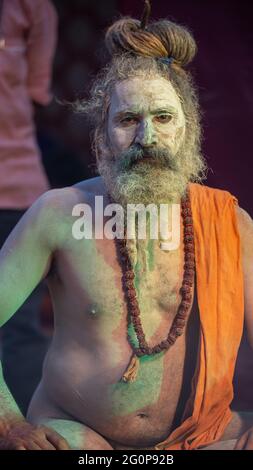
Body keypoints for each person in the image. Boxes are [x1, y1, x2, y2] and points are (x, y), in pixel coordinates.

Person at [0, 2, 253, 451]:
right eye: (128, 120)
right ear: (102, 135)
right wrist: (8, 424)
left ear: (189, 130)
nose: (147, 139)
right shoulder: (57, 213)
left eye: (163, 118)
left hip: (203, 434)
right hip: (76, 433)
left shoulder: (230, 224)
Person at [0, 0, 58, 415]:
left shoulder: (31, 8)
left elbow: (37, 94)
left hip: (14, 187)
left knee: (18, 326)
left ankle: (25, 428)